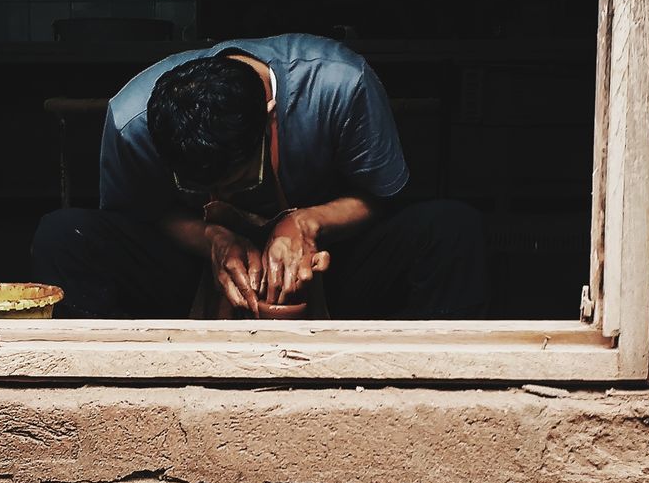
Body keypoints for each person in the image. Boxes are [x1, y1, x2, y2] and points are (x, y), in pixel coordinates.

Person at [32, 33, 487, 319]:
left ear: (271, 120)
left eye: (238, 182)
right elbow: (141, 216)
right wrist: (213, 240)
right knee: (62, 235)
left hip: (334, 263)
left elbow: (380, 198)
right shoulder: (131, 121)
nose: (220, 196)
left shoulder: (340, 86)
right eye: (200, 187)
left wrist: (307, 223)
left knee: (451, 229)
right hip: (192, 269)